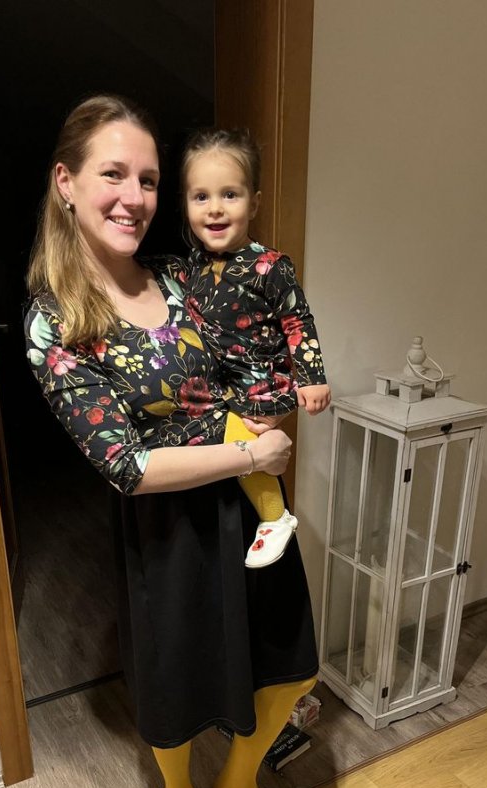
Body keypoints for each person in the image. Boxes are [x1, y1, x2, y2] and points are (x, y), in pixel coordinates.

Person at [25, 95, 319, 788]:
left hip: (252, 513)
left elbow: (256, 353)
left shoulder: (182, 275)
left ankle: (239, 782)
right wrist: (250, 458)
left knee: (292, 665)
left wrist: (288, 394)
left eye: (150, 180)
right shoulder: (55, 322)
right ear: (66, 182)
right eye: (114, 174)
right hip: (171, 529)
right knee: (179, 682)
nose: (135, 197)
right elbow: (126, 466)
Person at [182, 127, 331, 569]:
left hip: (262, 382)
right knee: (222, 437)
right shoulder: (193, 264)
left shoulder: (269, 266)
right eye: (201, 196)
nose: (215, 208)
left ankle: (274, 517)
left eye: (229, 194)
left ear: (254, 203)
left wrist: (313, 377)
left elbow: (298, 320)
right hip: (221, 383)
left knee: (240, 436)